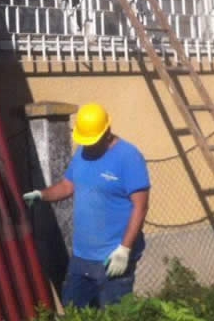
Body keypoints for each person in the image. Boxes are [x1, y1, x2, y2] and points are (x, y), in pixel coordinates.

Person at [22, 102, 150, 307]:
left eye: (93, 140)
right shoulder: (83, 152)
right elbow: (67, 186)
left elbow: (140, 206)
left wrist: (124, 249)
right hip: (82, 256)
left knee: (115, 315)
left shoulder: (128, 156)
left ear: (107, 131)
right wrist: (41, 195)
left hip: (112, 257)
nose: (89, 145)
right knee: (74, 311)